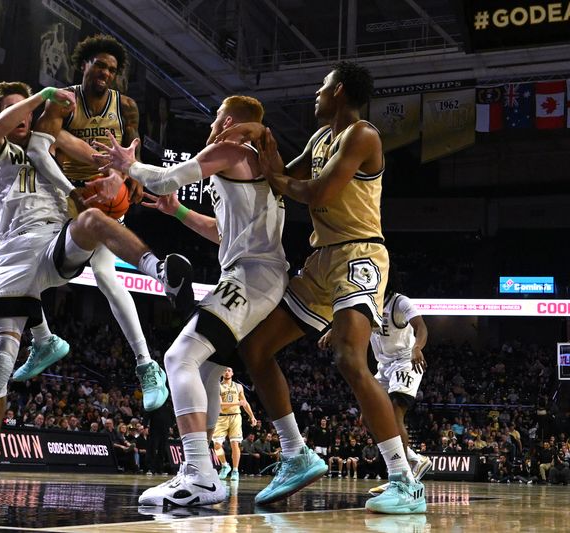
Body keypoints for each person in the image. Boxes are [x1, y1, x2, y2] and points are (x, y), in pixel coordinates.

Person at [0, 81, 193, 494]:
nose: (22, 117)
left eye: (24, 111)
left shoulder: (50, 145)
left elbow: (91, 155)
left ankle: (161, 272)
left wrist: (123, 173)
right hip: (13, 254)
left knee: (93, 224)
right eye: (12, 110)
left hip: (53, 243)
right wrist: (43, 95)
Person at [215, 61, 426, 513]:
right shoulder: (319, 139)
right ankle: (295, 453)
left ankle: (404, 480)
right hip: (321, 259)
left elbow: (316, 193)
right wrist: (249, 142)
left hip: (360, 254)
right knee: (255, 349)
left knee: (350, 358)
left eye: (322, 86)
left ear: (341, 91)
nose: (316, 92)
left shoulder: (362, 135)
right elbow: (273, 180)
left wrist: (273, 172)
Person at [96, 94, 302, 507]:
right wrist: (177, 213)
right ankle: (202, 473)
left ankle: (199, 475)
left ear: (226, 120)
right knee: (206, 369)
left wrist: (127, 165)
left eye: (216, 118)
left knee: (178, 358)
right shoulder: (254, 159)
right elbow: (225, 235)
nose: (212, 124)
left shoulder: (229, 147)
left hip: (252, 276)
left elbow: (167, 177)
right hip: (257, 273)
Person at [20, 34, 170, 413]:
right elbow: (37, 149)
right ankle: (43, 339)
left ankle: (146, 364)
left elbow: (133, 150)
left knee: (105, 275)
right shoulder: (63, 100)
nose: (106, 73)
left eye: (113, 69)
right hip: (63, 193)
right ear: (83, 64)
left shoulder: (127, 106)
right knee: (22, 267)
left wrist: (133, 180)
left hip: (106, 199)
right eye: (100, 65)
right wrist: (71, 189)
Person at [321, 264, 432, 493]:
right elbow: (351, 320)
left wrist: (417, 348)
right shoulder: (370, 303)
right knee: (368, 418)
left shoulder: (400, 301)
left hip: (406, 361)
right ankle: (412, 458)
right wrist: (334, 330)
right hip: (384, 366)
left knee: (393, 412)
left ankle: (401, 477)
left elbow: (422, 328)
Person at [212, 367, 257, 482]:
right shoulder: (217, 386)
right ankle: (225, 465)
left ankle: (235, 470)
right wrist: (237, 402)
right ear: (221, 372)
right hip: (221, 418)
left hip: (235, 417)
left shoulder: (238, 386)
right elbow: (221, 405)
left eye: (229, 370)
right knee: (216, 445)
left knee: (235, 444)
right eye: (224, 370)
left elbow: (245, 403)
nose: (226, 372)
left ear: (232, 373)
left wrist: (252, 416)